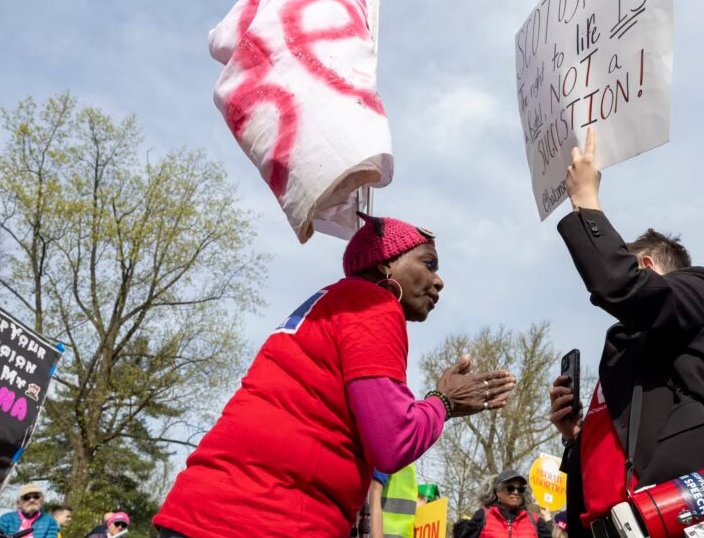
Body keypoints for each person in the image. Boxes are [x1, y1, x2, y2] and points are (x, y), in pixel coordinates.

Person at [154, 213, 517, 538]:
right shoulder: (372, 305)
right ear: (384, 265)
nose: (439, 281)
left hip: (202, 510)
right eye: (428, 263)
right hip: (263, 519)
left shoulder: (333, 302)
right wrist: (444, 402)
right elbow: (394, 441)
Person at [548, 129, 704, 537]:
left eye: (621, 261)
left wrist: (585, 201)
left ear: (643, 263)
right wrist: (578, 438)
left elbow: (618, 286)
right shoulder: (632, 346)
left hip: (685, 519)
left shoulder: (702, 290)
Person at [454, 469, 552, 538]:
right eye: (510, 488)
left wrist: (548, 518)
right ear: (498, 491)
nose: (516, 492)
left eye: (520, 489)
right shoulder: (483, 516)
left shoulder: (535, 521)